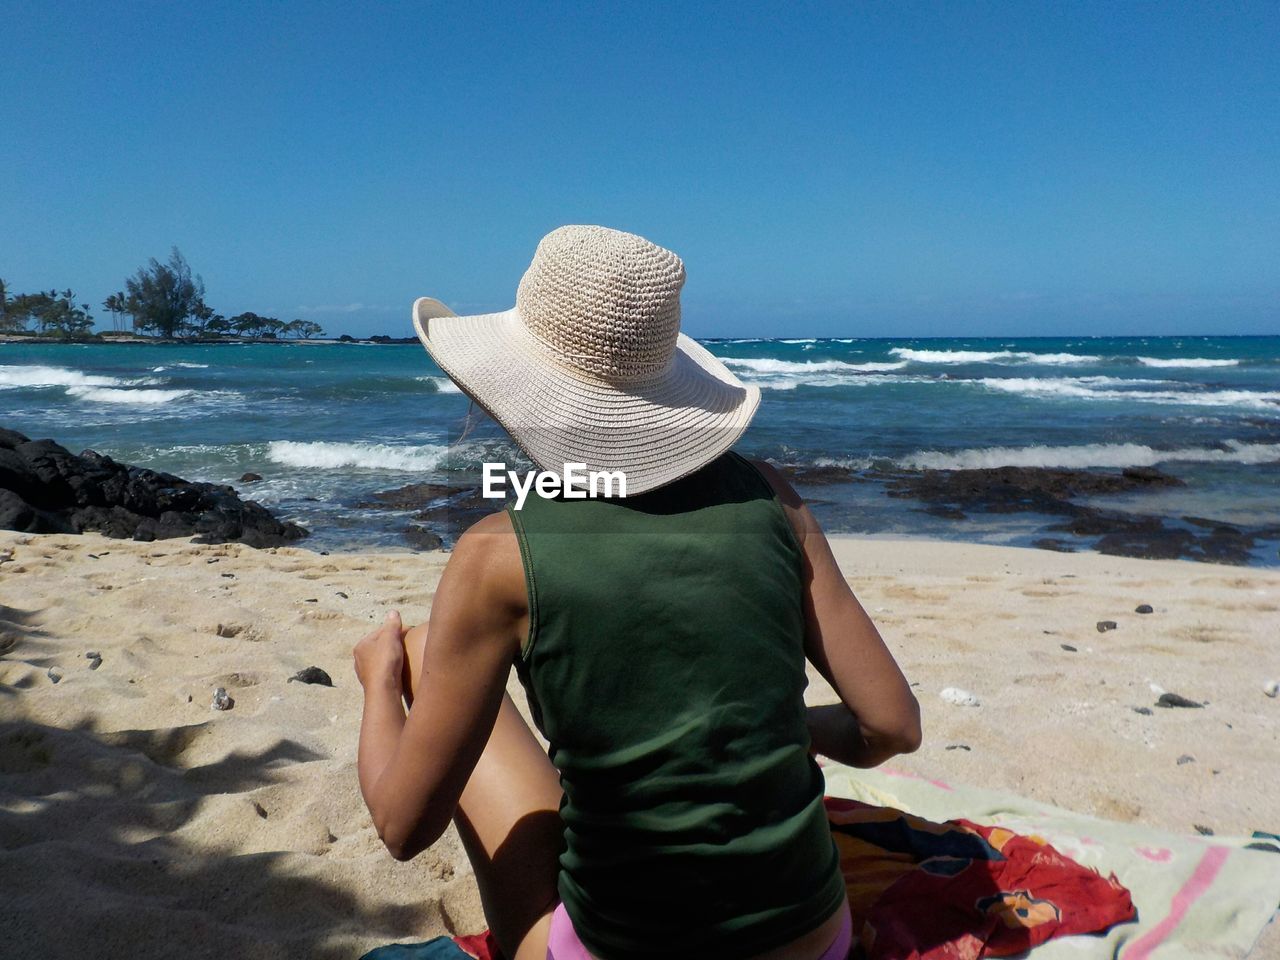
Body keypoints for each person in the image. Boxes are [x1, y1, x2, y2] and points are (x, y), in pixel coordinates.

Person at [354, 226, 921, 960]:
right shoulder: (773, 501)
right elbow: (891, 727)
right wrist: (767, 726)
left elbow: (402, 829)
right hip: (815, 942)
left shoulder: (497, 555)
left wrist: (378, 680)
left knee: (425, 649)